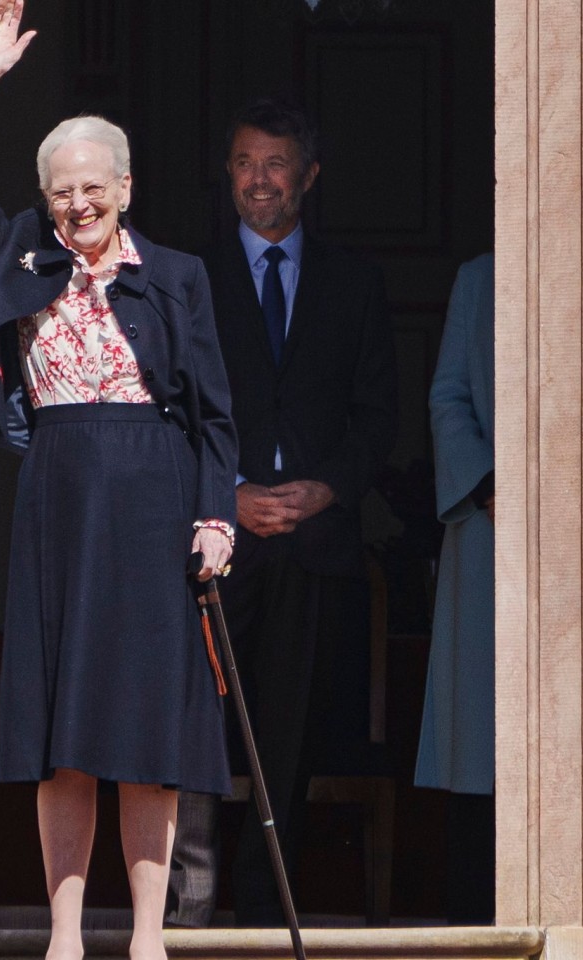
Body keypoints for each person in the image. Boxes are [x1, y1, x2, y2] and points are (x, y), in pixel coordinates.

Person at [0, 3, 238, 957]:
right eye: (62, 191)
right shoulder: (22, 249)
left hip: (153, 493)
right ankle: (65, 937)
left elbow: (215, 414)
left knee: (147, 736)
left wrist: (216, 520)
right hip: (57, 495)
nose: (77, 206)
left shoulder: (177, 275)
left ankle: (149, 936)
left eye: (93, 189)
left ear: (126, 189)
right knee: (63, 733)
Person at [167, 98, 398, 927]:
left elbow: (378, 418)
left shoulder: (355, 283)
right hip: (211, 541)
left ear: (308, 175)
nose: (258, 179)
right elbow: (168, 411)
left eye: (275, 163)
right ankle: (186, 910)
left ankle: (266, 918)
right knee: (191, 727)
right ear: (226, 175)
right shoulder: (185, 280)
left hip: (310, 547)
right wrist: (224, 492)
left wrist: (326, 488)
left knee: (288, 738)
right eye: (243, 163)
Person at [414, 252, 495, 922]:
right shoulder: (477, 278)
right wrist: (488, 483)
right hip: (490, 524)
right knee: (479, 734)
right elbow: (449, 395)